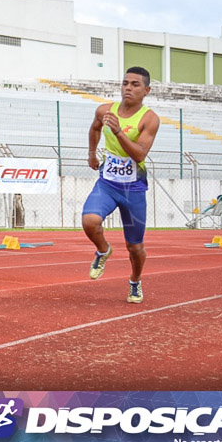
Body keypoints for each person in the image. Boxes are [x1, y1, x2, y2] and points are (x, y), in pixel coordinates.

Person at [81, 67, 160, 304]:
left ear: (146, 90)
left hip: (133, 189)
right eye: (125, 83)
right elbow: (95, 128)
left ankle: (135, 281)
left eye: (135, 84)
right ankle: (103, 250)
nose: (128, 87)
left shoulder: (149, 119)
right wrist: (92, 154)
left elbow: (139, 155)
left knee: (134, 247)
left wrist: (118, 131)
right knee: (89, 221)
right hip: (108, 184)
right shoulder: (105, 111)